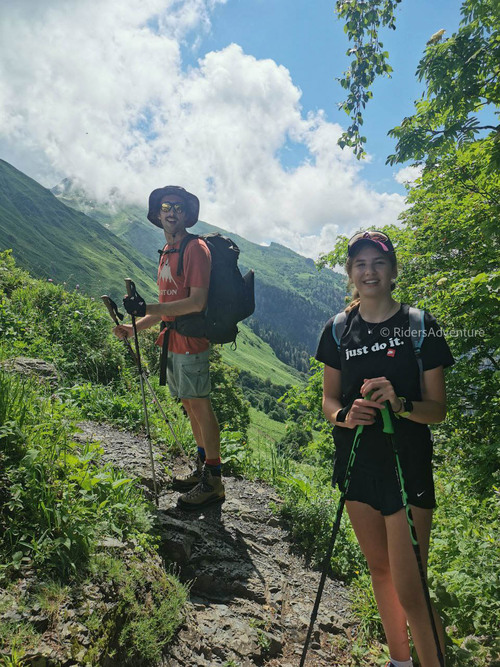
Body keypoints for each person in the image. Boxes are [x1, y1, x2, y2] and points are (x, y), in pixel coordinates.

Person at [315, 230, 454, 667]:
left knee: (411, 587)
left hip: (406, 464)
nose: (369, 271)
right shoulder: (338, 328)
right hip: (358, 462)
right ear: (351, 274)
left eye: (378, 263)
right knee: (380, 571)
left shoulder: (419, 325)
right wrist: (343, 416)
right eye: (360, 264)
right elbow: (329, 400)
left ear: (392, 271)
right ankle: (399, 661)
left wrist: (402, 403)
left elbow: (438, 410)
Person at [113, 185, 224, 511]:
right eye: (165, 206)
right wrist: (134, 326)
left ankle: (214, 480)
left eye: (177, 206)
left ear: (187, 214)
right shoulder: (166, 250)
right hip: (173, 340)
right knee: (190, 405)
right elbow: (166, 307)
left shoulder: (195, 249)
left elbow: (196, 301)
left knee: (200, 406)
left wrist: (144, 306)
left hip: (191, 341)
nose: (171, 211)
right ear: (158, 214)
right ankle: (204, 469)